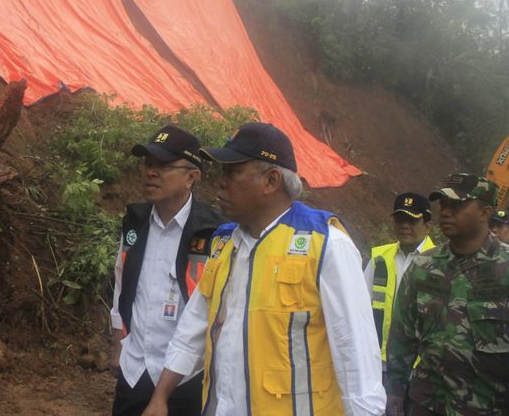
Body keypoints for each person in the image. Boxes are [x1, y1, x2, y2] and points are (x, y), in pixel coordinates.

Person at [143, 122, 386, 416]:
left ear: (271, 181)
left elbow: (355, 357)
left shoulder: (326, 244)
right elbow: (194, 327)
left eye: (232, 172)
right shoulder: (224, 243)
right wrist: (161, 396)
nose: (220, 182)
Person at [110, 124, 225, 416]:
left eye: (162, 166)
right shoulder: (134, 222)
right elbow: (121, 285)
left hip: (188, 379)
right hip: (134, 370)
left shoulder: (214, 232)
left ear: (191, 177)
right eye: (148, 165)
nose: (151, 172)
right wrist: (118, 346)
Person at [386, 174, 509, 416]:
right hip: (425, 405)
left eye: (457, 205)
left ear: (485, 213)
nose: (445, 212)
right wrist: (395, 388)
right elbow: (402, 335)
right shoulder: (423, 266)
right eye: (443, 205)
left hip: (488, 408)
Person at [364, 193, 435, 371]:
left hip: (420, 366)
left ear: (427, 226)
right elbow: (360, 306)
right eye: (400, 220)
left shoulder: (441, 262)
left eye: (411, 221)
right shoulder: (379, 258)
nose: (404, 226)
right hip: (376, 361)